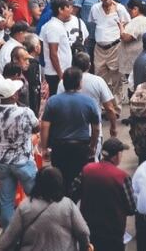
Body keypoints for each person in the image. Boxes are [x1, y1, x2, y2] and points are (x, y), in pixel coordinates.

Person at [0, 166, 91, 251]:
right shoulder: (68, 205)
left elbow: (10, 237)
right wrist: (85, 245)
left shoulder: (25, 206)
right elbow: (83, 231)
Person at [0, 78, 40, 228]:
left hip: (2, 162)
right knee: (36, 198)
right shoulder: (25, 112)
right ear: (13, 96)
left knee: (6, 201)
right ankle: (36, 228)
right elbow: (36, 127)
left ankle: (9, 233)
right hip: (23, 161)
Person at [41, 67, 101, 195]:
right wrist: (93, 146)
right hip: (81, 148)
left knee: (61, 180)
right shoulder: (89, 102)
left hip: (59, 148)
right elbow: (96, 128)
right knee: (80, 181)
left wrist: (44, 148)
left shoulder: (53, 101)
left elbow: (45, 126)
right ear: (79, 83)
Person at [78, 138, 137, 251]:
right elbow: (131, 208)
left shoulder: (86, 169)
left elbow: (74, 191)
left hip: (89, 230)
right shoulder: (122, 177)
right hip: (113, 233)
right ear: (117, 156)